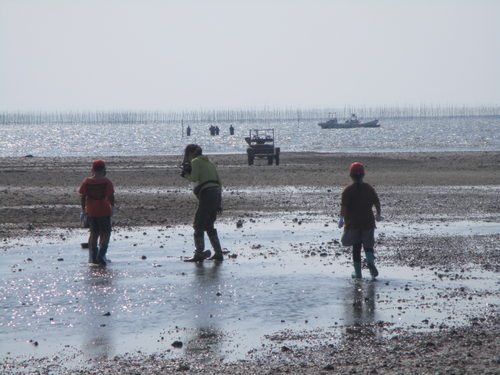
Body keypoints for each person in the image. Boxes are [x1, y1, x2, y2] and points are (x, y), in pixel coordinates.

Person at [180, 144, 223, 262]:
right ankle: (218, 253)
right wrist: (219, 203)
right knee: (209, 225)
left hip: (208, 195)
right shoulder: (210, 162)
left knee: (198, 224)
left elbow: (193, 178)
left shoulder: (196, 161)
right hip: (216, 195)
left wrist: (185, 175)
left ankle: (199, 254)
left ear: (191, 154)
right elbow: (219, 182)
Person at [339, 162, 382, 279]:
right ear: (363, 175)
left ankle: (358, 273)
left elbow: (344, 206)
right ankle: (370, 261)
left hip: (353, 224)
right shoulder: (369, 188)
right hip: (367, 223)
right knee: (368, 246)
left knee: (356, 247)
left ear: (350, 175)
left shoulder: (347, 190)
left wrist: (341, 218)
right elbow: (377, 203)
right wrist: (378, 215)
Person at [79, 159, 115, 266]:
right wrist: (112, 207)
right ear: (104, 169)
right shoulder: (107, 182)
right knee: (106, 233)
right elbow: (111, 196)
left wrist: (83, 210)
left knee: (93, 234)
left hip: (91, 212)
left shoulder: (87, 181)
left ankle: (93, 257)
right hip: (104, 211)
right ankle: (102, 254)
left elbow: (83, 197)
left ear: (92, 170)